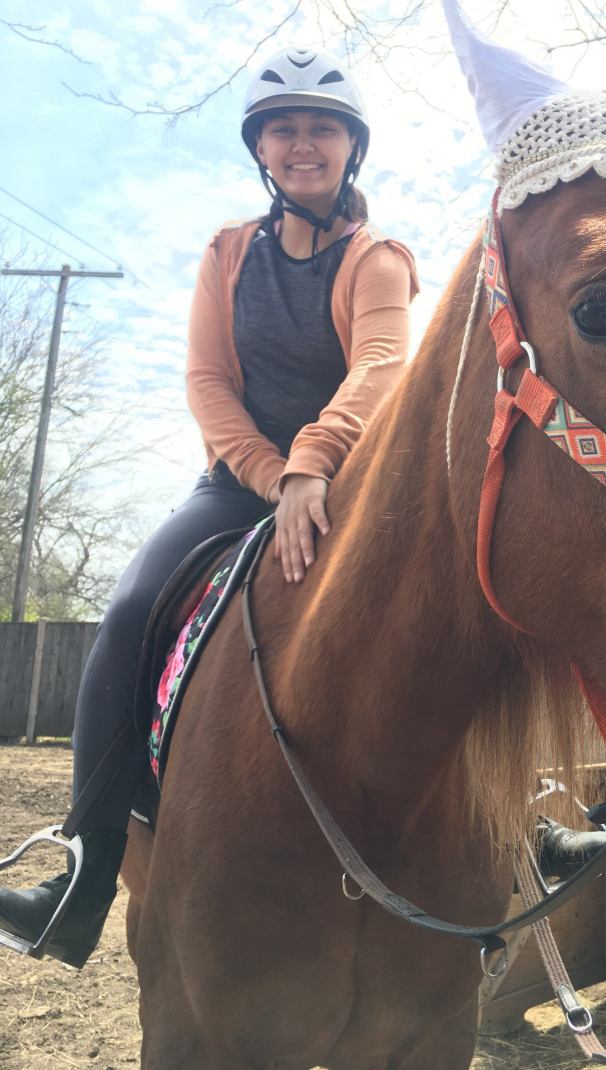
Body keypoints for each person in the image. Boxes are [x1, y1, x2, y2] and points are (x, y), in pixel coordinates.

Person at [0, 47, 420, 968]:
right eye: (284, 128)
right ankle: (81, 872)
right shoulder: (229, 253)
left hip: (352, 485)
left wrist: (316, 464)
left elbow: (383, 366)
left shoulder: (378, 257)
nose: (303, 143)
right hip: (237, 488)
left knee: (464, 592)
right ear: (260, 149)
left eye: (322, 128)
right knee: (123, 615)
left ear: (352, 147)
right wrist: (276, 476)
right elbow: (206, 381)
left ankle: (529, 845)